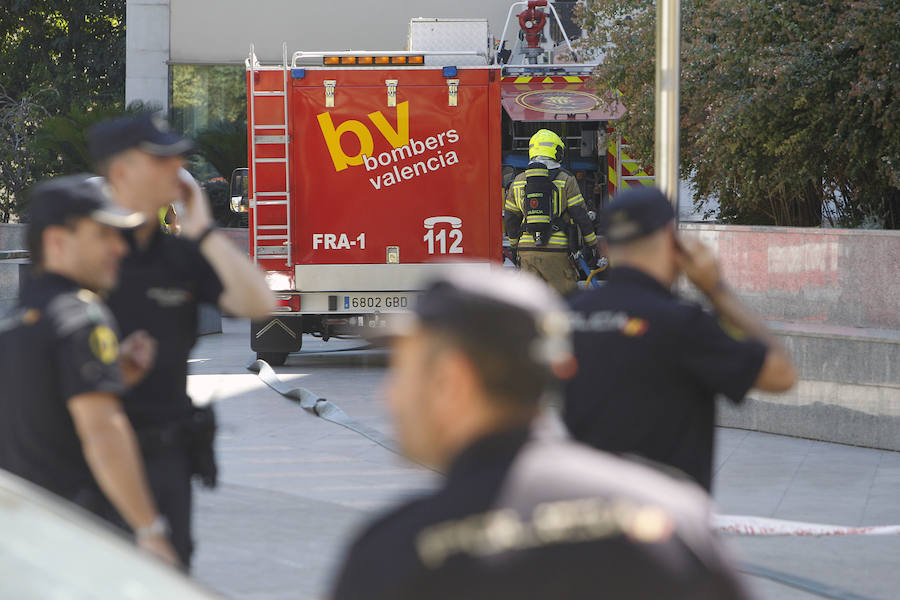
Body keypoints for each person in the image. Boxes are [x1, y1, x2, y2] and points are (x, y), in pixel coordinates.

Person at [330, 267, 750, 600]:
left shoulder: (395, 556)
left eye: (402, 371)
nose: (389, 396)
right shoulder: (672, 517)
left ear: (451, 381)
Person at [87, 111, 276, 568]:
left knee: (172, 572)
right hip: (94, 454)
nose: (178, 169)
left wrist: (203, 229)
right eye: (161, 160)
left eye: (178, 159)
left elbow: (260, 303)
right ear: (120, 172)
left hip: (168, 455)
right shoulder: (89, 249)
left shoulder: (178, 255)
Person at [565, 187, 797, 491]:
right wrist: (715, 289)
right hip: (665, 526)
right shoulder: (683, 324)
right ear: (671, 239)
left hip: (576, 521)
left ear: (606, 247)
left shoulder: (564, 316)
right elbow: (781, 374)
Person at [0, 175, 178, 566]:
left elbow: (42, 414)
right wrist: (150, 531)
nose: (119, 248)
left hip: (26, 538)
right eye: (103, 235)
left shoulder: (21, 319)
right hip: (78, 539)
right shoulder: (84, 318)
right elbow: (102, 431)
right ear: (57, 241)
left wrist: (112, 374)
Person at [503, 129, 600, 296]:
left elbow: (511, 219)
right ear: (557, 152)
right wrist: (592, 245)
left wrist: (514, 247)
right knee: (565, 302)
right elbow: (580, 215)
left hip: (526, 251)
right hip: (557, 250)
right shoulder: (566, 179)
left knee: (532, 303)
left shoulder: (518, 182)